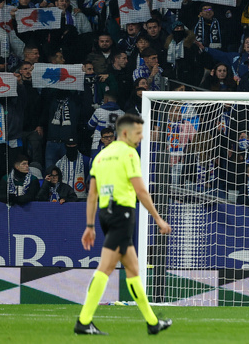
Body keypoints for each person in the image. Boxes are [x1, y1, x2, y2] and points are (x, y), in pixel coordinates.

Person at [76, 113, 172, 336]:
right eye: (138, 133)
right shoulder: (129, 154)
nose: (140, 138)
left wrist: (90, 226)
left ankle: (152, 322)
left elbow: (92, 195)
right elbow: (140, 190)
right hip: (122, 215)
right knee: (106, 268)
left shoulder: (101, 156)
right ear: (126, 133)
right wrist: (158, 218)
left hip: (105, 215)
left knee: (132, 269)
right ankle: (83, 321)